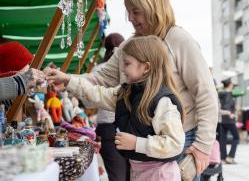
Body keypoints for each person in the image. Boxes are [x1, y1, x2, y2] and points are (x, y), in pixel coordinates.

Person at [47, 0, 218, 179]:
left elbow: (206, 94)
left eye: (135, 12)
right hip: (141, 144)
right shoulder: (131, 45)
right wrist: (68, 80)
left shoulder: (179, 40)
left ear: (152, 8)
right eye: (128, 12)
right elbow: (102, 79)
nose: (130, 19)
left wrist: (203, 146)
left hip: (179, 139)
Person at [45, 35, 185, 180]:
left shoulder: (162, 101)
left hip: (161, 175)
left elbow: (175, 143)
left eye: (127, 64)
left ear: (146, 67)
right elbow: (97, 94)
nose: (122, 70)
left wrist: (137, 143)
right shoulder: (126, 93)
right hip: (139, 171)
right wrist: (68, 80)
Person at [93, 33, 129, 181]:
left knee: (117, 175)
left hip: (107, 127)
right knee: (127, 175)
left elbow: (90, 101)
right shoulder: (125, 68)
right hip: (120, 126)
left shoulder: (98, 69)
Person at [218, 78, 239, 164]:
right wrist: (232, 112)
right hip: (229, 119)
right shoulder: (229, 94)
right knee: (236, 137)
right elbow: (228, 106)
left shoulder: (221, 93)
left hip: (222, 119)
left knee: (223, 139)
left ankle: (223, 158)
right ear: (230, 85)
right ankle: (230, 157)